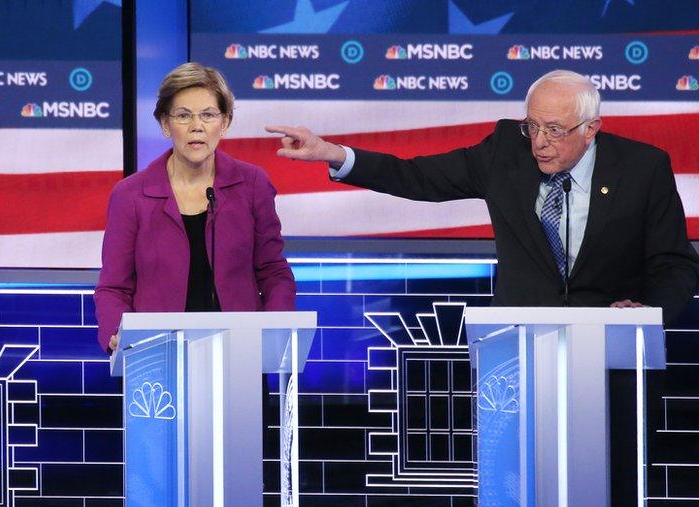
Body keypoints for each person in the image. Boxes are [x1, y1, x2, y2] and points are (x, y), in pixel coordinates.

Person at [267, 69, 698, 325]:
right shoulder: (504, 152)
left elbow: (673, 263)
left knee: (613, 474)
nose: (539, 143)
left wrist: (646, 314)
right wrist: (335, 154)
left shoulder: (643, 168)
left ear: (591, 129)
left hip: (613, 356)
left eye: (555, 130)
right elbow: (417, 176)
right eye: (532, 126)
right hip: (517, 346)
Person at [95, 62, 296, 352]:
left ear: (224, 123)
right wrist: (116, 332)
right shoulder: (131, 195)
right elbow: (114, 287)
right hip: (154, 356)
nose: (197, 126)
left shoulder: (252, 184)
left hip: (239, 354)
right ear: (166, 124)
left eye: (208, 115)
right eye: (183, 115)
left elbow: (273, 272)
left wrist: (274, 330)